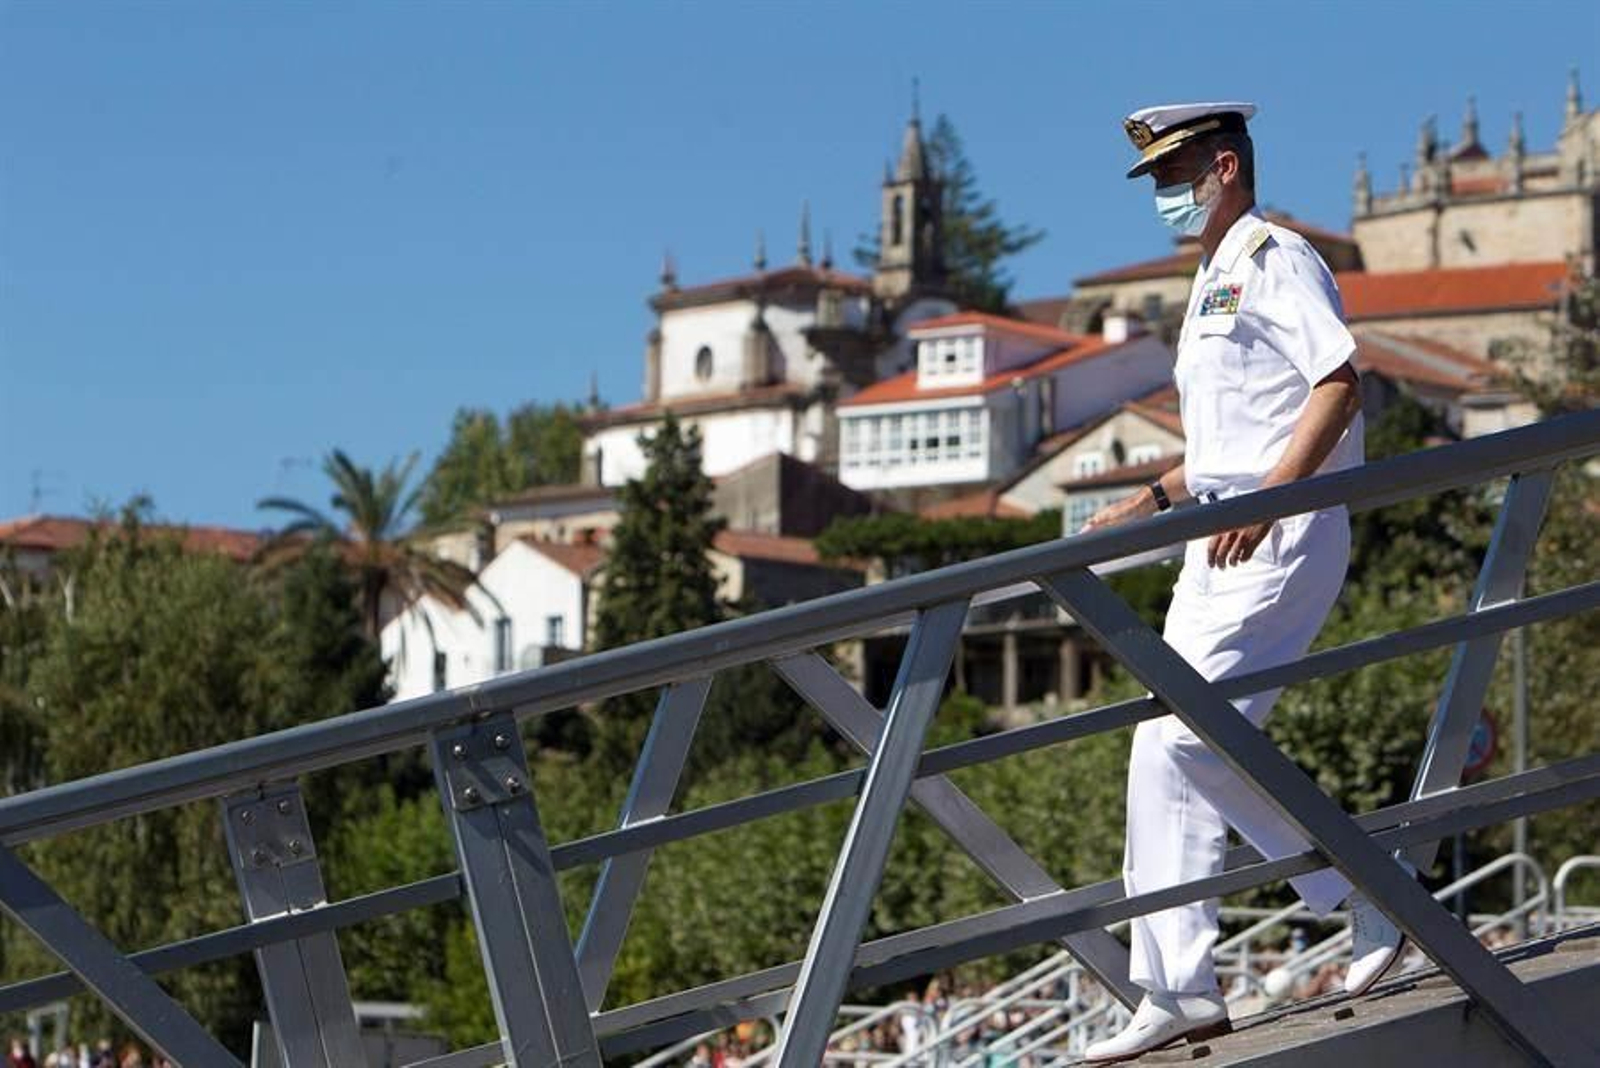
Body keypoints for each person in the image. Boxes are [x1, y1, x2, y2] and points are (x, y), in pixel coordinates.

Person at [1080, 102, 1412, 1062]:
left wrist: (1268, 499)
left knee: (1191, 741)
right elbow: (1227, 438)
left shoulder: (1276, 256)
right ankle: (1178, 989)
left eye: (1175, 178)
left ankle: (1365, 895)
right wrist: (1146, 498)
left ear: (1224, 167)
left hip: (1278, 532)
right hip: (1215, 536)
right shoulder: (1213, 277)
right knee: (1163, 749)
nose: (1166, 198)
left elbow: (1339, 379)